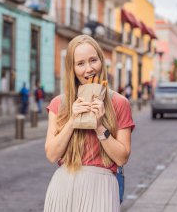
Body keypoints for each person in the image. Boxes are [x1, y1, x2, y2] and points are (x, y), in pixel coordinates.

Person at [44, 35, 135, 212]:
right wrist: (72, 120)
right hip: (63, 187)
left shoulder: (119, 103)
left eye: (93, 60)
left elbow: (122, 158)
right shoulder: (58, 104)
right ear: (72, 68)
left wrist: (99, 127)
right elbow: (52, 155)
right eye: (80, 63)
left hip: (101, 188)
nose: (89, 69)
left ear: (101, 61)